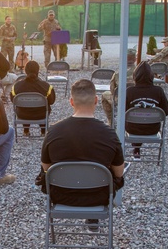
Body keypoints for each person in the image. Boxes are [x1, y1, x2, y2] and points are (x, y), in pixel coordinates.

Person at [40, 78, 125, 207]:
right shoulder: (109, 135)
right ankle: (93, 219)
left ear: (71, 102)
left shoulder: (53, 132)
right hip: (99, 196)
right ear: (96, 100)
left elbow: (46, 168)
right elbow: (119, 173)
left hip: (61, 195)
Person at [125, 62, 168, 158]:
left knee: (135, 119)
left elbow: (123, 112)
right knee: (143, 118)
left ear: (135, 76)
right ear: (152, 76)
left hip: (132, 129)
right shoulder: (158, 91)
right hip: (152, 128)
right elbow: (166, 111)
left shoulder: (129, 91)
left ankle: (136, 147)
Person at [10, 60, 56, 136]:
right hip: (41, 114)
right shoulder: (46, 87)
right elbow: (51, 101)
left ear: (25, 71)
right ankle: (43, 132)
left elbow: (13, 100)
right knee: (45, 107)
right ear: (38, 71)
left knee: (24, 107)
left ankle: (26, 131)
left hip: (22, 114)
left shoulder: (16, 86)